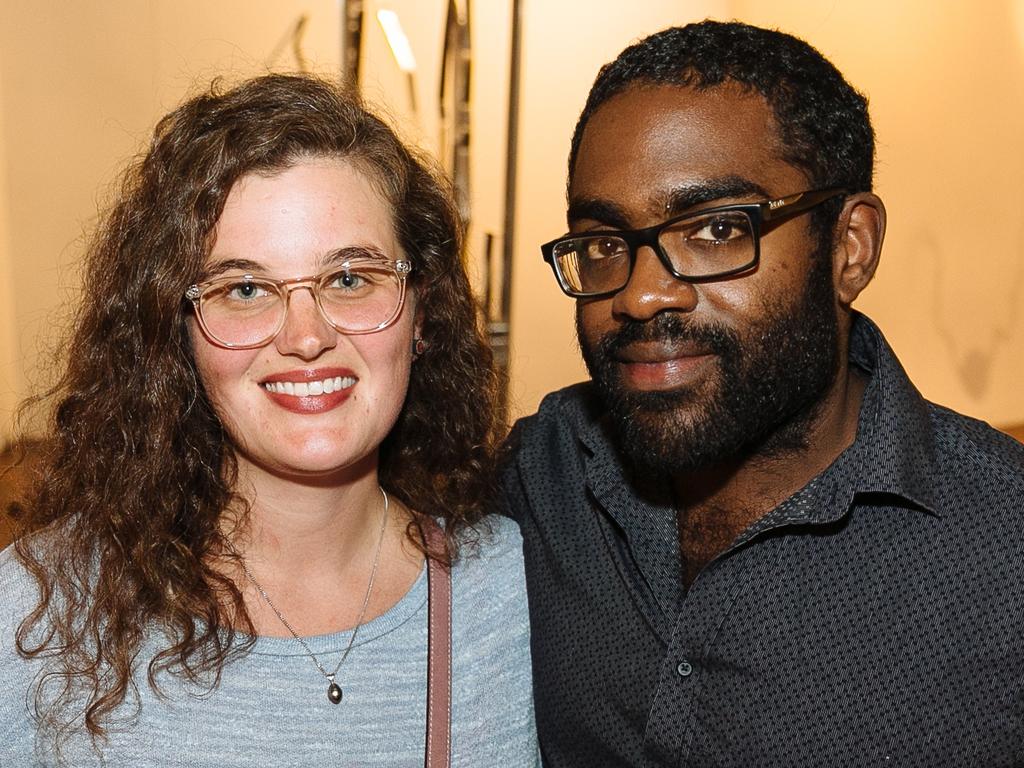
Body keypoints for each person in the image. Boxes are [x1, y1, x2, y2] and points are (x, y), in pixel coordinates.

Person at [498, 20, 1024, 767]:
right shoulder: (536, 480)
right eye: (606, 243)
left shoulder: (1002, 550)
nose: (643, 295)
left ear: (850, 247)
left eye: (716, 229)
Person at [0, 74, 537, 766]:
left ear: (420, 313)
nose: (305, 336)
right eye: (245, 289)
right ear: (178, 331)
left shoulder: (512, 594)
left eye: (350, 278)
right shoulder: (40, 615)